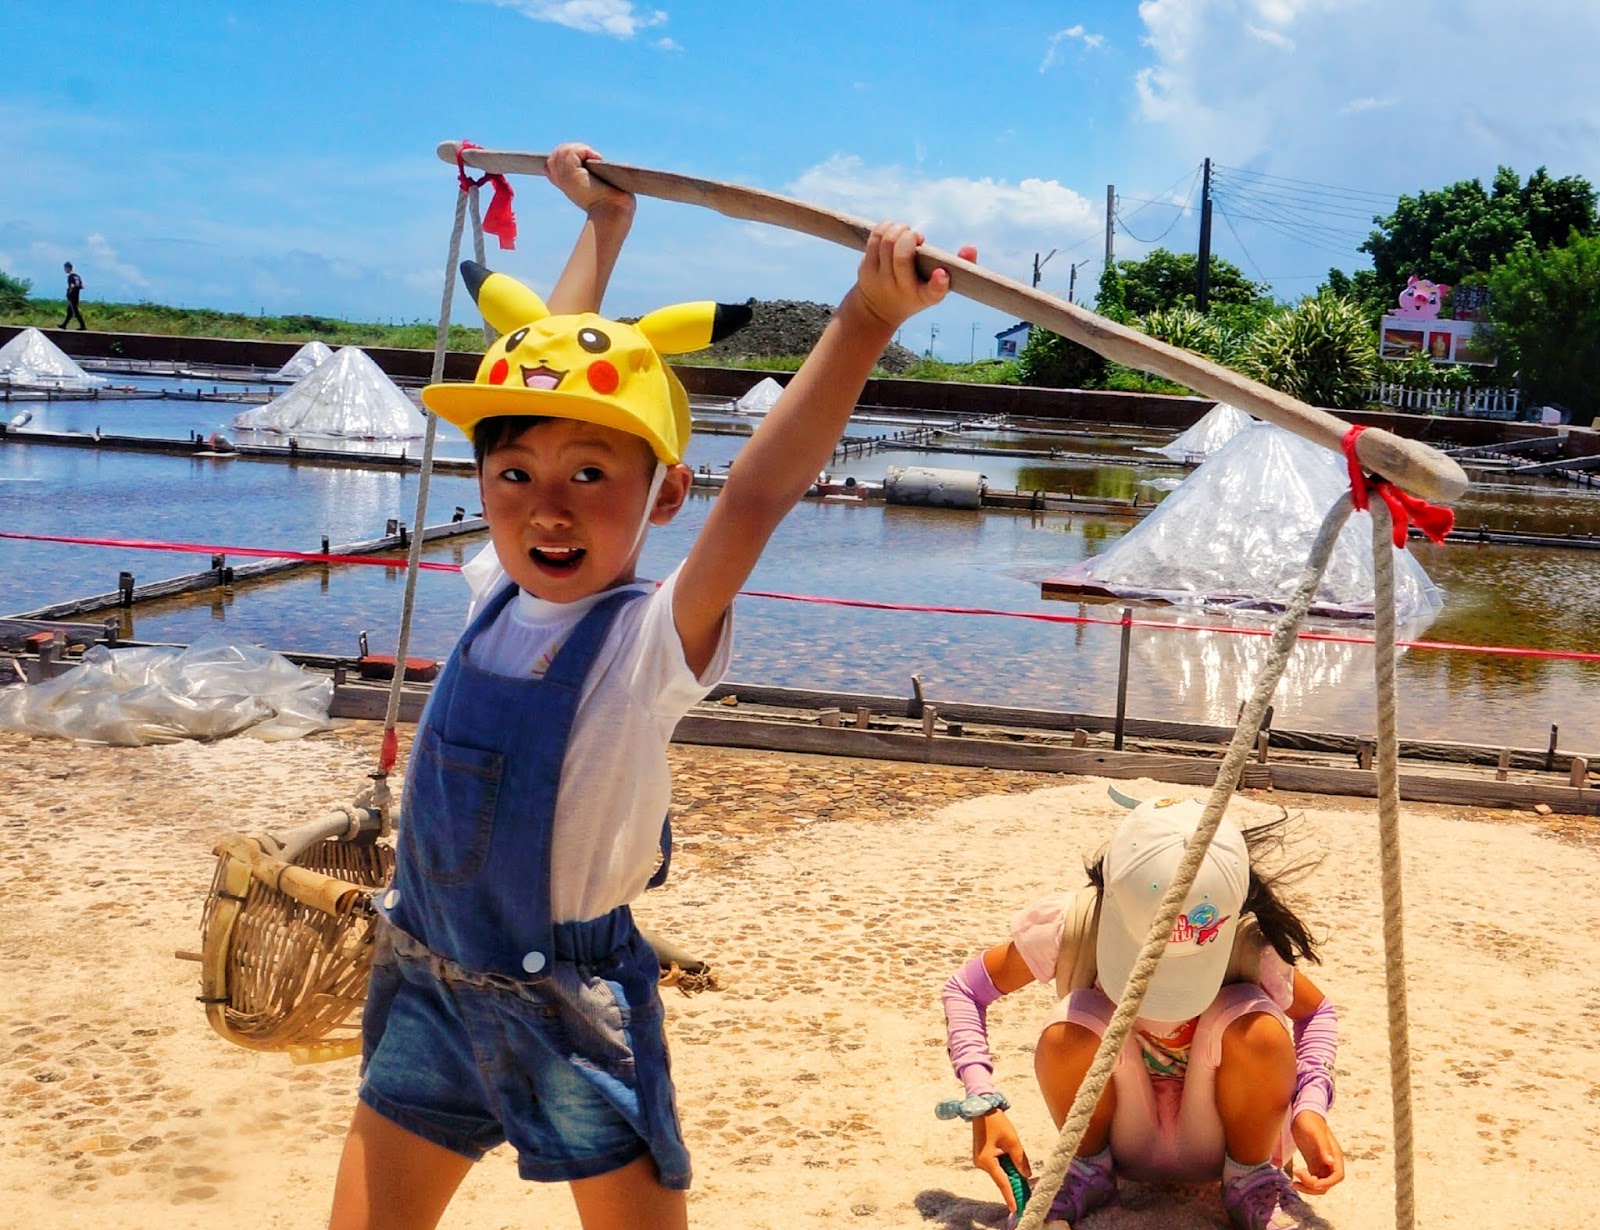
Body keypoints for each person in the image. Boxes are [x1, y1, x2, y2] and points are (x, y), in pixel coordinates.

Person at [328, 141, 973, 1230]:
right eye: (514, 475)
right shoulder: (495, 587)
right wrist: (603, 227)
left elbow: (757, 494)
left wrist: (865, 317)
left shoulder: (646, 640)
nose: (548, 508)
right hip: (426, 980)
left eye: (593, 475)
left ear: (665, 494)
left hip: (566, 1003)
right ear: (482, 479)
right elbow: (542, 360)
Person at [939, 796, 1342, 1230]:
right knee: (1072, 1023)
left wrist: (1310, 1107)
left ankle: (1251, 1180)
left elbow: (1317, 1012)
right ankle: (1087, 1172)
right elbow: (965, 990)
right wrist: (983, 1104)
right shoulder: (1074, 925)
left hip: (1229, 1141)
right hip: (1116, 1138)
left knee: (1254, 1025)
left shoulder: (1247, 943)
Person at [61, 262, 86, 330]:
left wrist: (69, 293)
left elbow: (72, 286)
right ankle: (64, 325)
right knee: (70, 311)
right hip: (77, 295)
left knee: (75, 311)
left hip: (72, 296)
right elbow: (82, 286)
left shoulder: (70, 276)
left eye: (65, 268)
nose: (65, 270)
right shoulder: (77, 276)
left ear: (68, 268)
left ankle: (83, 326)